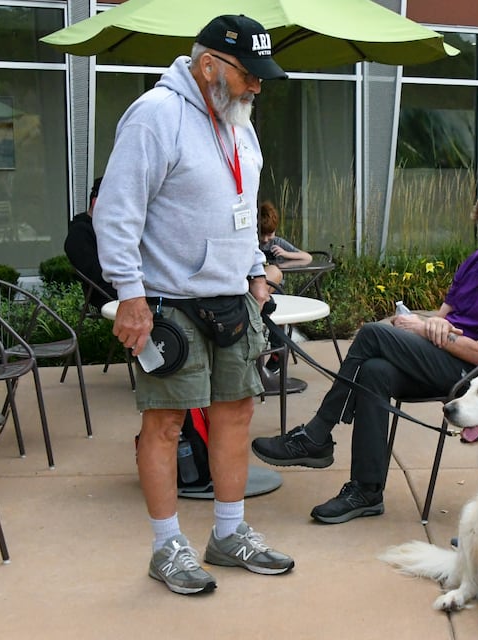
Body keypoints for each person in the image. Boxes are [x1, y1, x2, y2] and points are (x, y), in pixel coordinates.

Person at [93, 14, 294, 596]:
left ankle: (228, 535)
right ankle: (166, 547)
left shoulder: (238, 122)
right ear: (209, 65)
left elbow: (243, 204)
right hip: (168, 304)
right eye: (249, 75)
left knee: (235, 413)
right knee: (165, 424)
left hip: (233, 298)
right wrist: (130, 296)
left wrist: (256, 272)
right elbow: (117, 212)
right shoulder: (156, 115)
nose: (257, 86)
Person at [252, 184, 478, 524]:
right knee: (375, 370)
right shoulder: (476, 260)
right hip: (444, 356)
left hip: (476, 378)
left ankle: (318, 434)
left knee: (372, 333)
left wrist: (424, 329)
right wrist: (424, 325)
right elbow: (443, 317)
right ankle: (366, 491)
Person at [257, 200, 311, 374]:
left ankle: (276, 356)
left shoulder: (277, 243)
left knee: (275, 313)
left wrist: (286, 254)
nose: (265, 240)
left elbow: (307, 258)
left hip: (276, 291)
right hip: (259, 291)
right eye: (262, 235)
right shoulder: (252, 244)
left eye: (269, 234)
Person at [64, 177, 117, 309]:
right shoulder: (80, 233)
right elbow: (96, 276)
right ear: (95, 202)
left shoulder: (109, 230)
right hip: (111, 297)